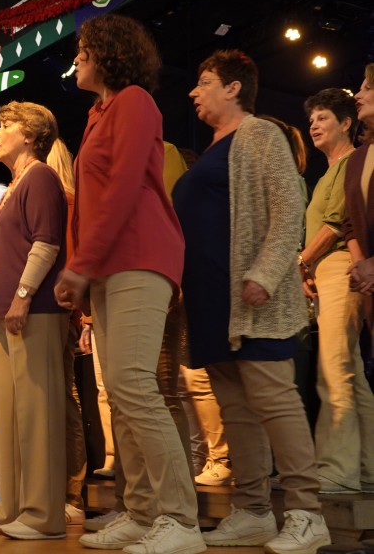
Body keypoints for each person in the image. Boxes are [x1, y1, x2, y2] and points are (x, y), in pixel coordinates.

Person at [54, 14, 202, 554]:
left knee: (135, 385)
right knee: (120, 391)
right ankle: (141, 513)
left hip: (139, 255)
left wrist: (80, 263)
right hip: (108, 266)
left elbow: (122, 188)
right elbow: (91, 203)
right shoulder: (98, 112)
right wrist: (85, 267)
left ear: (110, 54)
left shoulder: (135, 101)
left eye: (85, 49)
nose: (77, 58)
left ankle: (180, 520)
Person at [172, 49, 329, 554]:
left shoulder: (258, 134)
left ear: (233, 87)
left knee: (275, 401)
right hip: (211, 301)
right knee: (235, 409)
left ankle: (307, 513)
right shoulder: (213, 147)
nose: (194, 91)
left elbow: (288, 208)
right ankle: (254, 510)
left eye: (204, 81)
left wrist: (264, 273)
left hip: (253, 300)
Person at [0, 100, 67, 541]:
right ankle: (10, 506)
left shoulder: (41, 177)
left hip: (34, 312)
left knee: (35, 414)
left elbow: (46, 242)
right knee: (8, 416)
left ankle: (43, 514)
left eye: (5, 125)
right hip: (5, 315)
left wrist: (23, 296)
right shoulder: (16, 184)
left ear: (29, 135)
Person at [300, 87, 374, 494]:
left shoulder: (351, 163)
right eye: (311, 119)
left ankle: (336, 469)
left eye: (323, 117)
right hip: (328, 269)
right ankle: (366, 466)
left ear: (346, 123)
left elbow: (335, 224)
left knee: (334, 368)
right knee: (351, 371)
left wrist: (301, 261)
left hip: (341, 266)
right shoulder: (330, 170)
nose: (314, 125)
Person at [45, 138, 89, 525]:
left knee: (62, 399)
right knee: (49, 401)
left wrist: (76, 311)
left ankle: (71, 493)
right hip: (39, 313)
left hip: (58, 312)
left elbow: (72, 259)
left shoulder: (67, 201)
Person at [339, 63, 374, 494]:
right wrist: (362, 264)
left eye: (367, 87)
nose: (359, 94)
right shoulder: (359, 159)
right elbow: (349, 222)